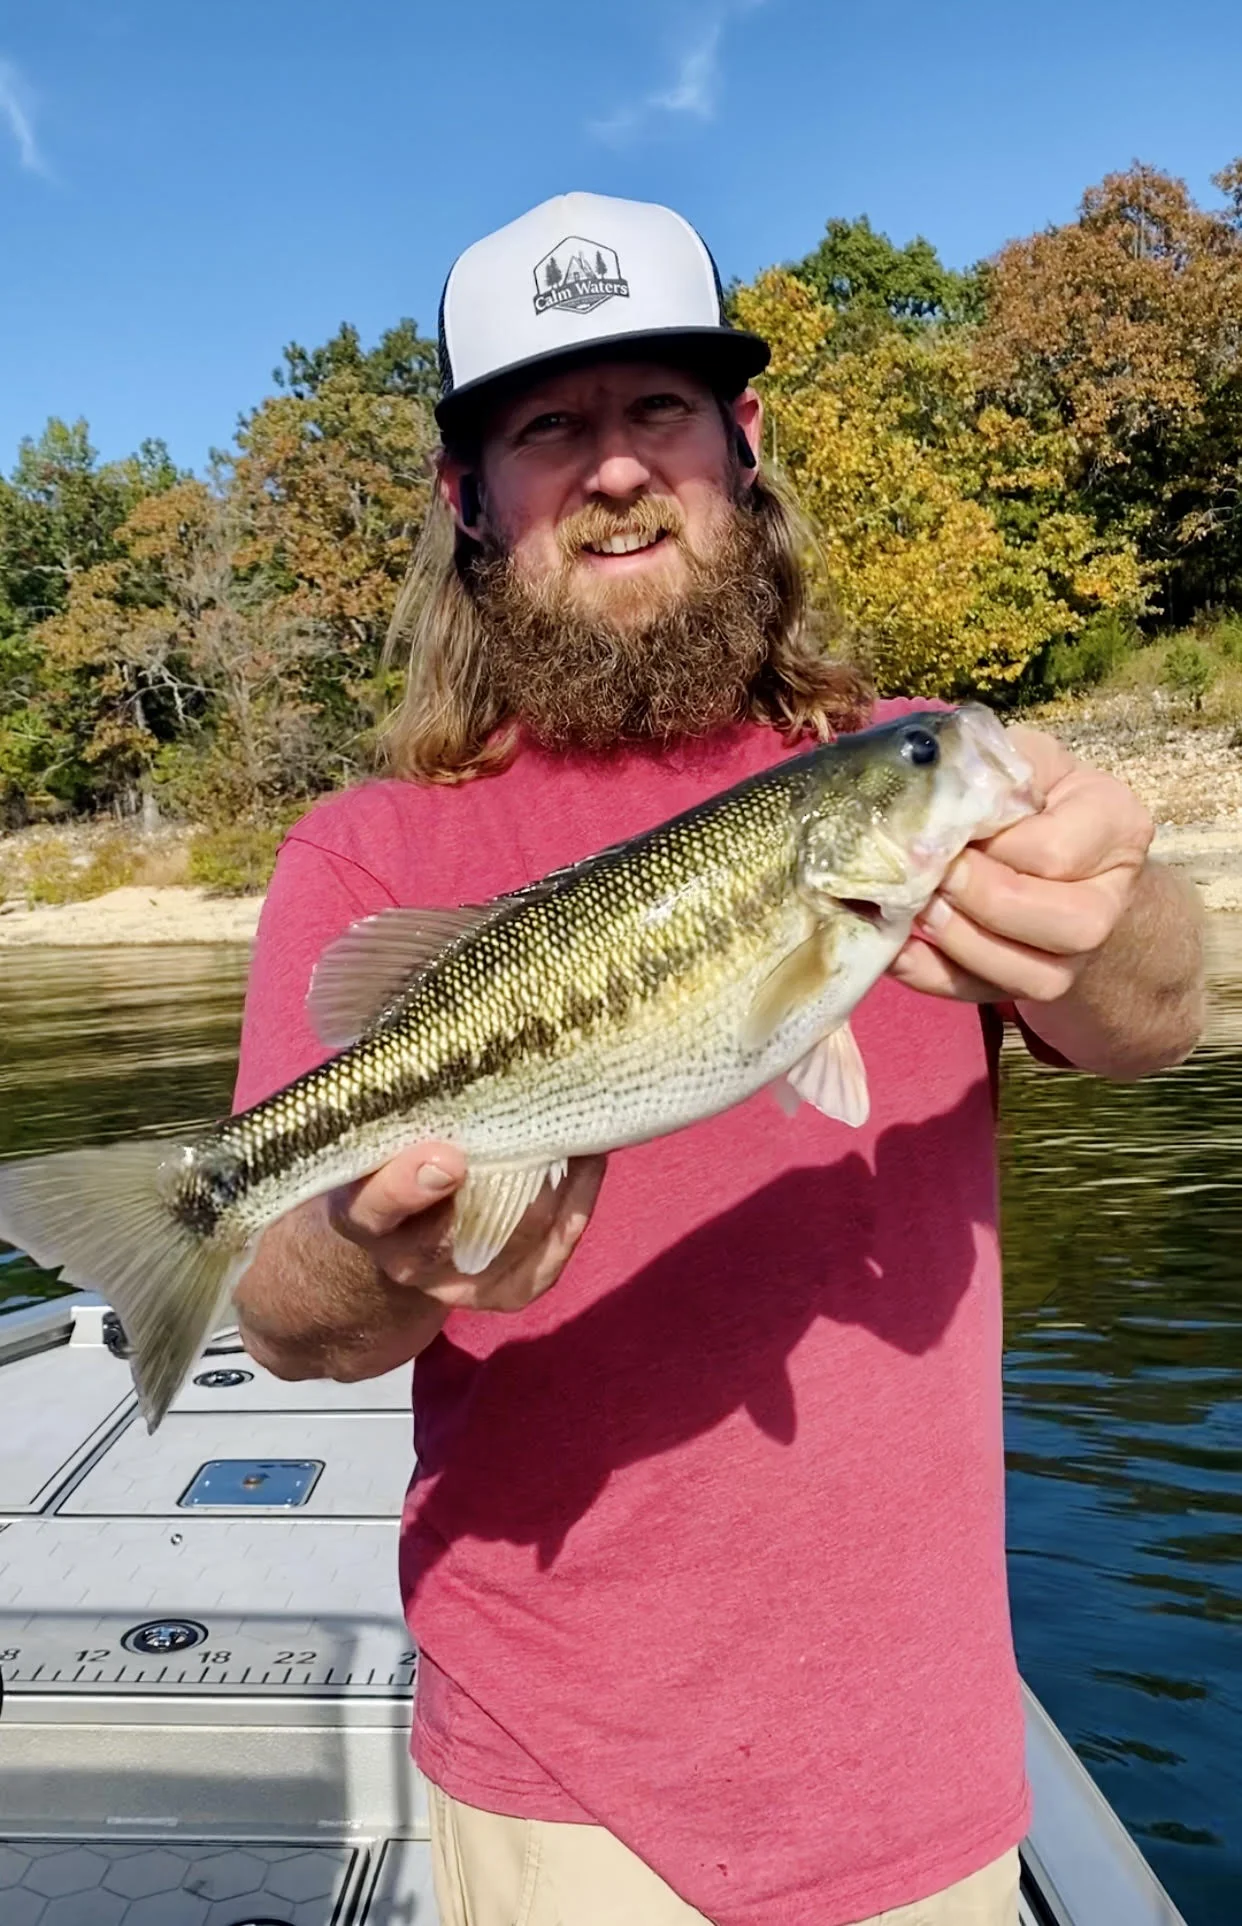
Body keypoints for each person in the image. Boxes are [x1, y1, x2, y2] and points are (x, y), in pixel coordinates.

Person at [232, 192, 1205, 1926]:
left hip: (927, 1775)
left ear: (741, 441)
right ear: (469, 495)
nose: (613, 468)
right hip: (565, 1782)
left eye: (657, 409)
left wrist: (1114, 916)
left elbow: (1147, 1021)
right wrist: (379, 1262)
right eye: (549, 426)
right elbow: (283, 1318)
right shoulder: (364, 852)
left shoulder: (904, 774)